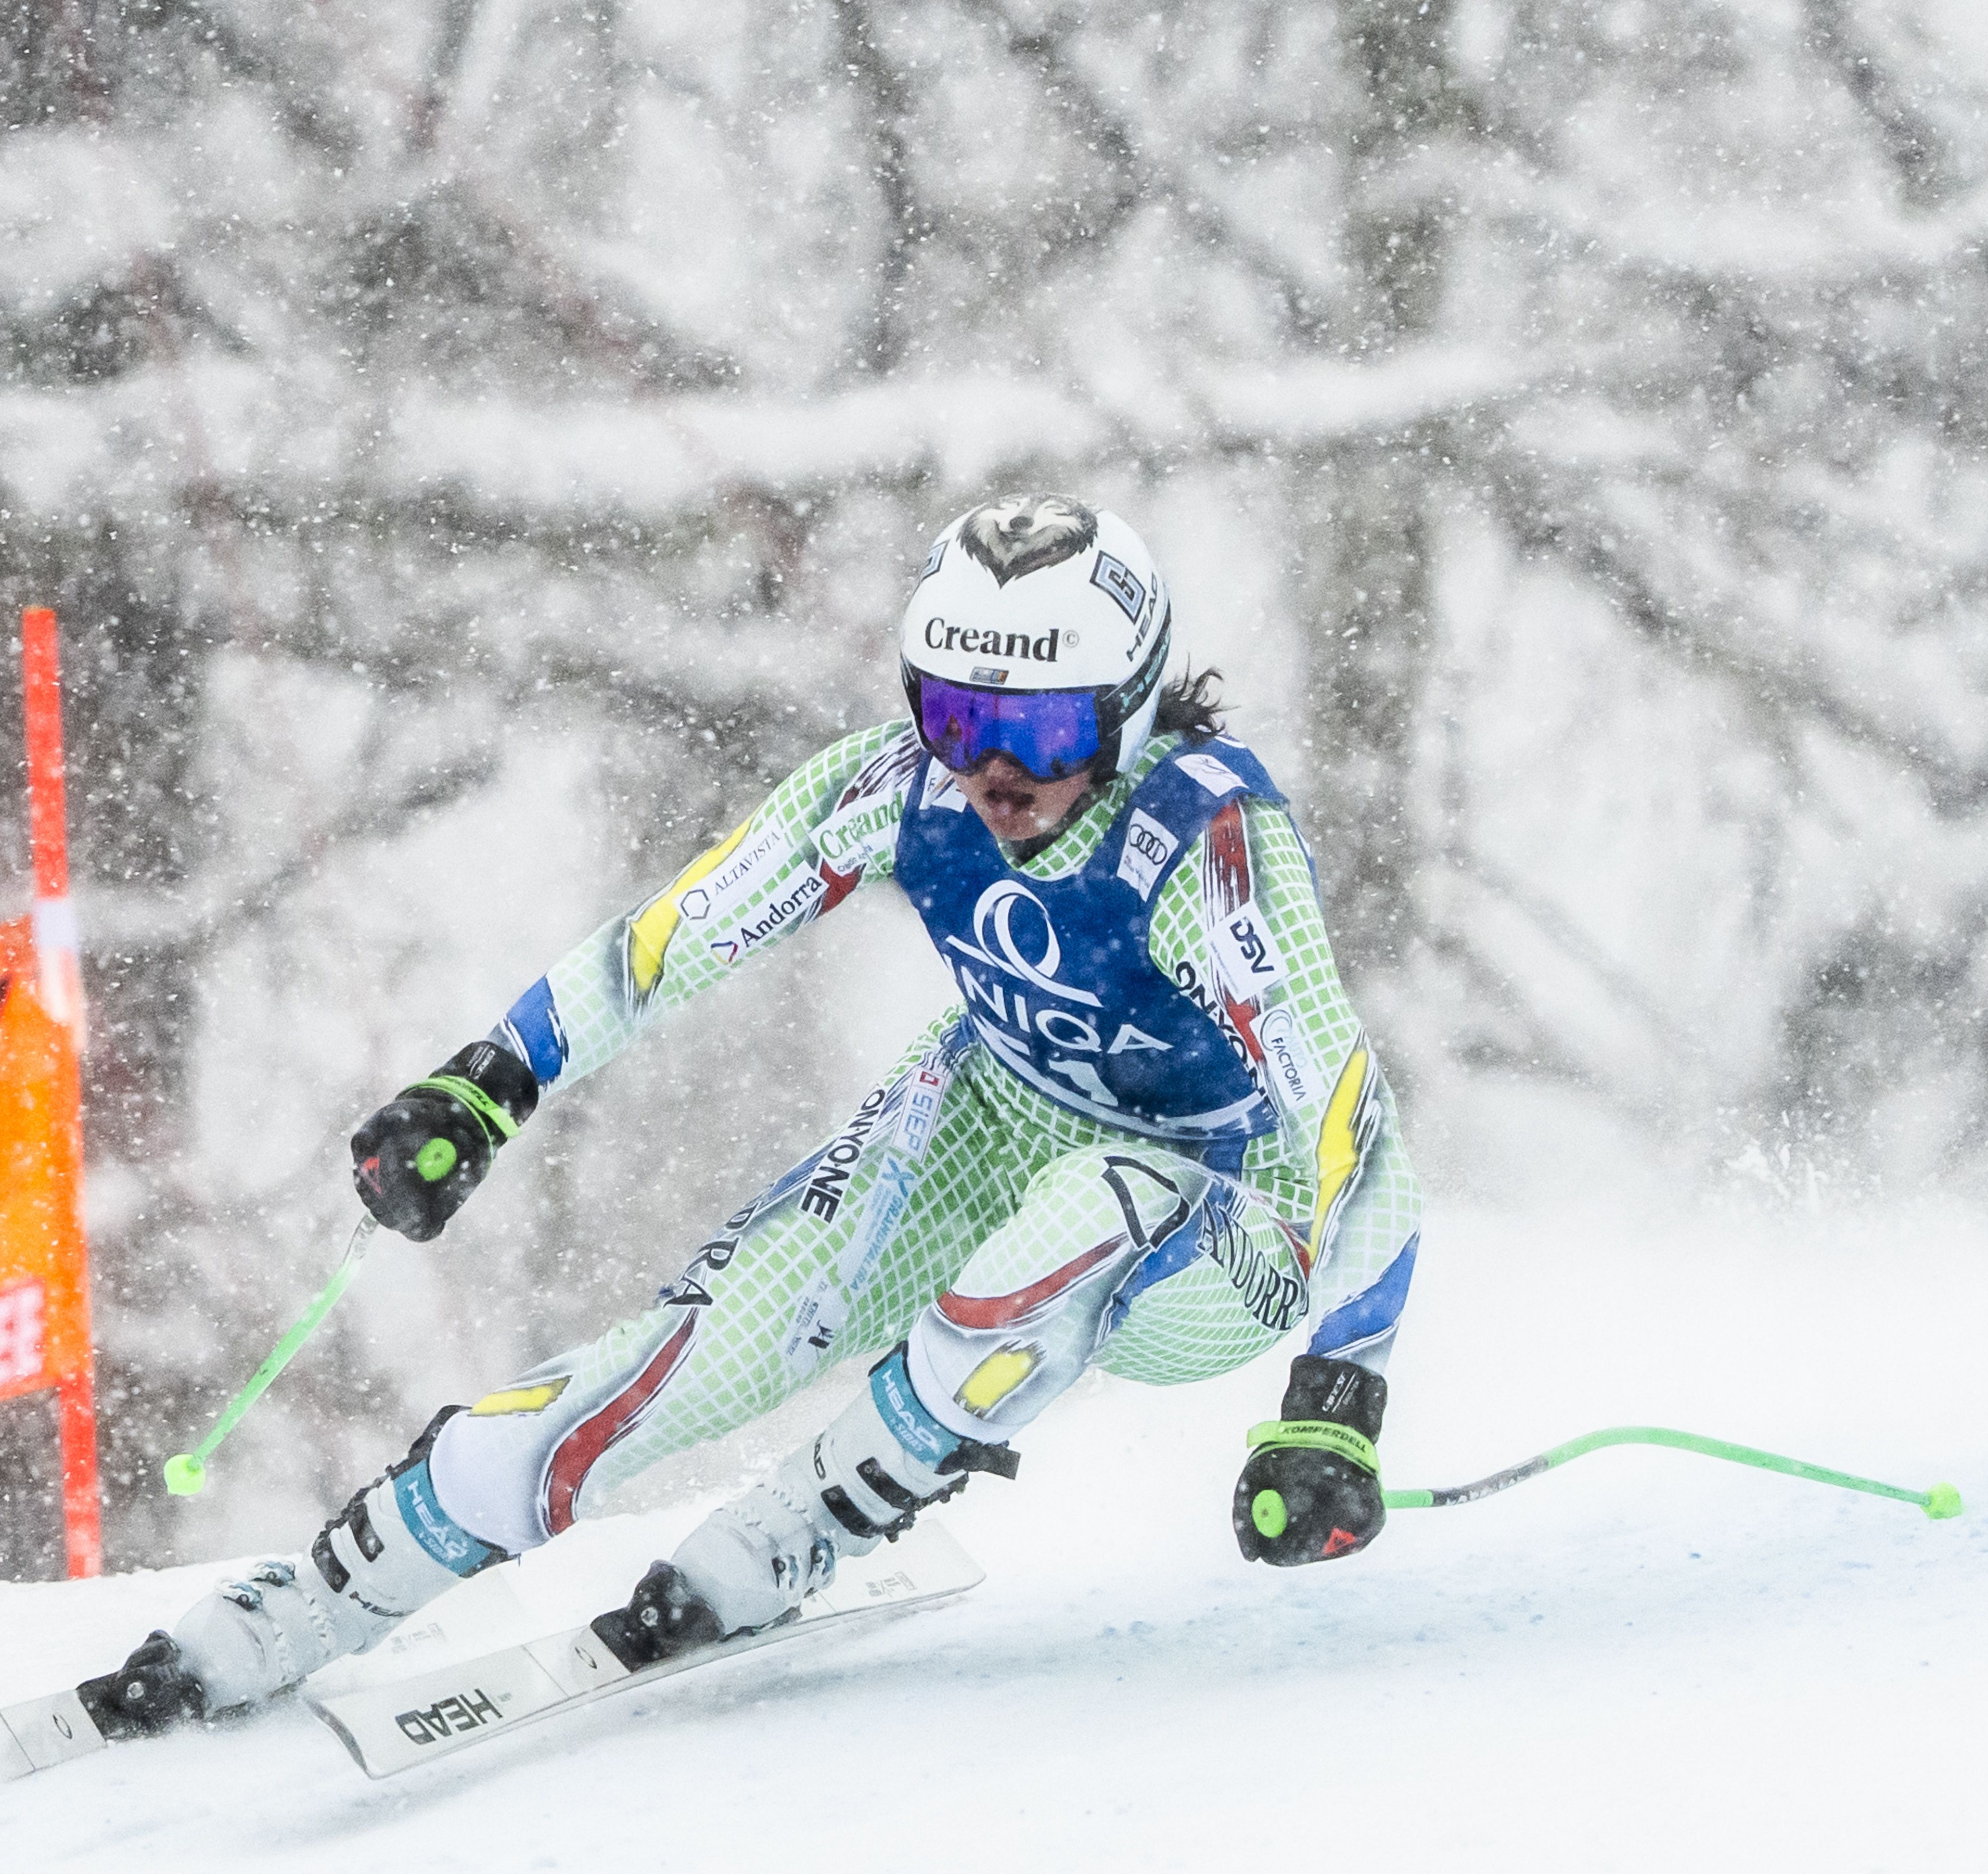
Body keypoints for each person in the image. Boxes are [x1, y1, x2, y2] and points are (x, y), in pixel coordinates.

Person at [82, 493, 1422, 1735]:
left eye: (1042, 732)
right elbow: (673, 942)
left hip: (1231, 1207)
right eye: (956, 718)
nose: (992, 775)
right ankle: (312, 1601)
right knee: (708, 1340)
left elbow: (1355, 1138)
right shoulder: (898, 793)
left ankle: (817, 1516)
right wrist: (488, 1082)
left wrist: (1335, 1398)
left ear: (1130, 714)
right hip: (999, 1109)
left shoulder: (1207, 843)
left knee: (1076, 1227)